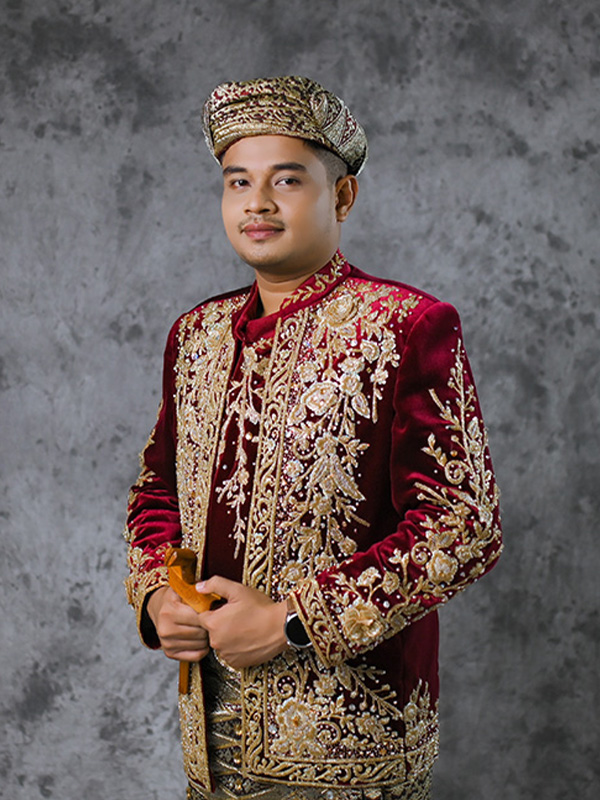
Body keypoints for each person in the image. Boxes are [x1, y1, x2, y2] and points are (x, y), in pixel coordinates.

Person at [124, 75, 502, 800]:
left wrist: (293, 621)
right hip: (209, 740)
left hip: (350, 743)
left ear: (343, 196)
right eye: (238, 182)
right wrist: (157, 599)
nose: (257, 203)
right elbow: (156, 492)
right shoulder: (197, 335)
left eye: (287, 180)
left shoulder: (405, 327)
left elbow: (463, 527)